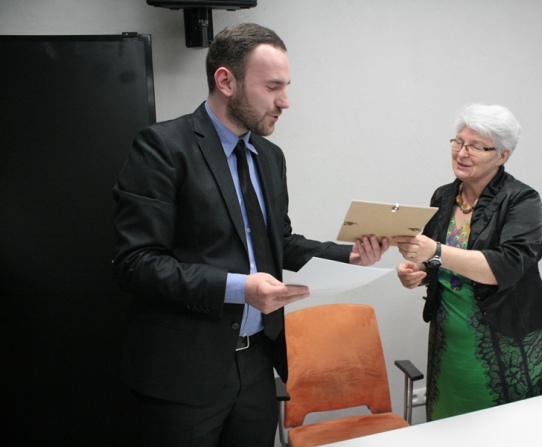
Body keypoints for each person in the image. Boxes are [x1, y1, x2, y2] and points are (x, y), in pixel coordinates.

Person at [112, 23, 388, 446]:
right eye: (273, 87)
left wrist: (347, 256)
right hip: (183, 376)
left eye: (286, 87)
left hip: (258, 365)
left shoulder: (269, 157)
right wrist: (240, 288)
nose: (285, 101)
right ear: (226, 81)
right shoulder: (162, 147)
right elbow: (137, 264)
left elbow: (280, 241)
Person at [394, 103, 542, 420]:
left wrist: (434, 252)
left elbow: (506, 265)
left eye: (475, 146)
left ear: (502, 155)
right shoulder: (443, 196)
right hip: (450, 338)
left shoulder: (522, 199)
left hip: (507, 338)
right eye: (458, 142)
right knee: (448, 424)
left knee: (505, 428)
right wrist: (418, 271)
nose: (461, 153)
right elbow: (437, 260)